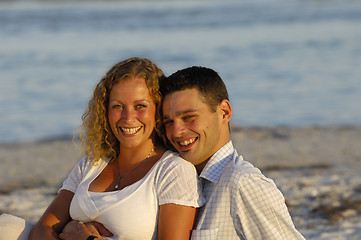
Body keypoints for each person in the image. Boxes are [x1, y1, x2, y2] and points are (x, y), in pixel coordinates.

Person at [0, 58, 204, 240]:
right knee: (6, 226)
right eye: (117, 106)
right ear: (105, 111)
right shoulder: (93, 164)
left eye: (140, 106)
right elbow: (42, 229)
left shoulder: (173, 171)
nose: (128, 118)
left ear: (158, 109)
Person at [159, 66, 306, 239]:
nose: (176, 132)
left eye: (189, 117)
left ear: (224, 112)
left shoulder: (243, 184)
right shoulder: (183, 181)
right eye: (168, 122)